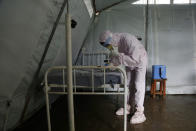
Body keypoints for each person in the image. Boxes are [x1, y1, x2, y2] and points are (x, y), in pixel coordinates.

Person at [99, 30, 148, 124]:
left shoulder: (126, 39)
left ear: (109, 39)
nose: (109, 47)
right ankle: (128, 107)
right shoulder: (119, 41)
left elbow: (135, 58)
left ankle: (140, 112)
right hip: (131, 62)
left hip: (140, 60)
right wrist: (113, 63)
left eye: (106, 44)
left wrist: (116, 60)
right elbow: (124, 57)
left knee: (138, 85)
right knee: (128, 83)